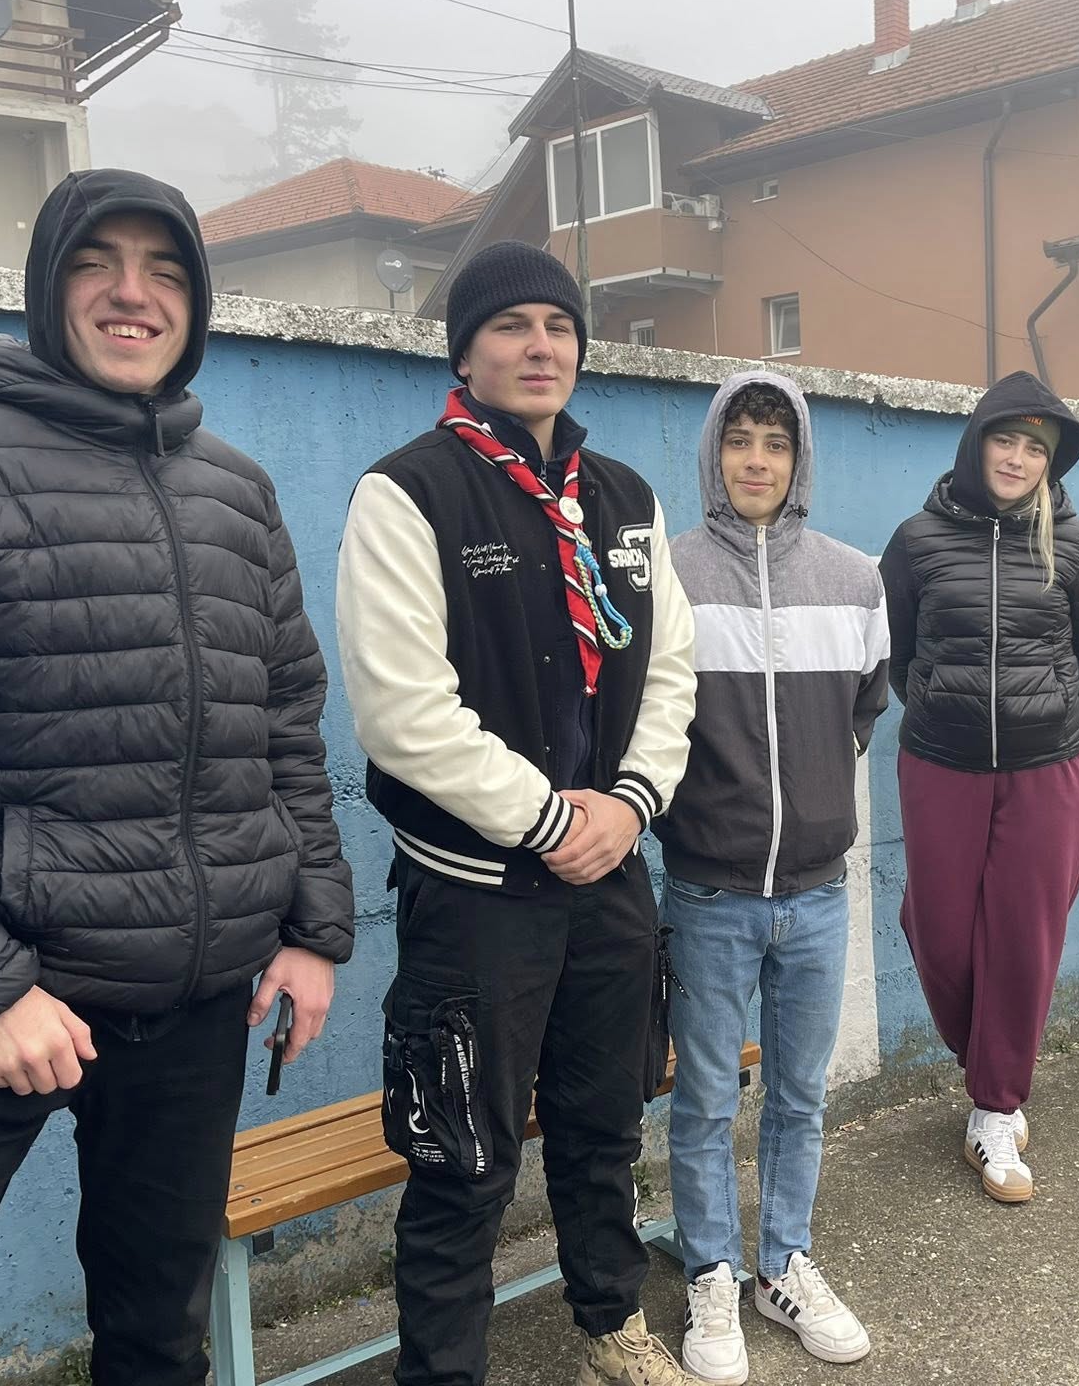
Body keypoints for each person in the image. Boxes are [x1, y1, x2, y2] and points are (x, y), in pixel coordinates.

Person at [0, 168, 354, 1386]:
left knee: (158, 1345)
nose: (134, 295)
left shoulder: (235, 490)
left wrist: (311, 929)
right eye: (98, 263)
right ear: (47, 285)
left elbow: (284, 725)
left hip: (191, 1001)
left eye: (166, 271)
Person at [335, 240, 699, 1386]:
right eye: (510, 326)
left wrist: (628, 807)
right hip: (478, 897)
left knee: (604, 1128)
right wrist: (551, 821)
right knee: (459, 1156)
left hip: (610, 882)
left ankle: (608, 1326)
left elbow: (671, 673)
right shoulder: (407, 493)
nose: (539, 346)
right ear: (465, 351)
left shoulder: (625, 500)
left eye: (558, 326)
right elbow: (402, 713)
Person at [653, 371, 889, 1382]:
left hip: (817, 891)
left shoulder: (853, 578)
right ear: (714, 453)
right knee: (706, 1099)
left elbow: (866, 705)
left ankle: (782, 1264)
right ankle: (710, 1271)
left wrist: (817, 801)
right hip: (707, 891)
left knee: (799, 1095)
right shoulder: (668, 573)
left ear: (799, 461)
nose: (756, 460)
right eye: (739, 440)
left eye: (776, 443)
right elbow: (643, 716)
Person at [878, 371, 1079, 1204]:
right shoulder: (916, 540)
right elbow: (897, 652)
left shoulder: (1075, 545)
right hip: (938, 763)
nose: (1017, 458)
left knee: (1024, 935)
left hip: (1045, 766)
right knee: (936, 929)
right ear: (975, 444)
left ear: (1052, 463)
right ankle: (987, 1059)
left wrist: (1044, 718)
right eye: (1004, 440)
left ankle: (995, 1104)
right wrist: (942, 709)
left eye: (1035, 449)